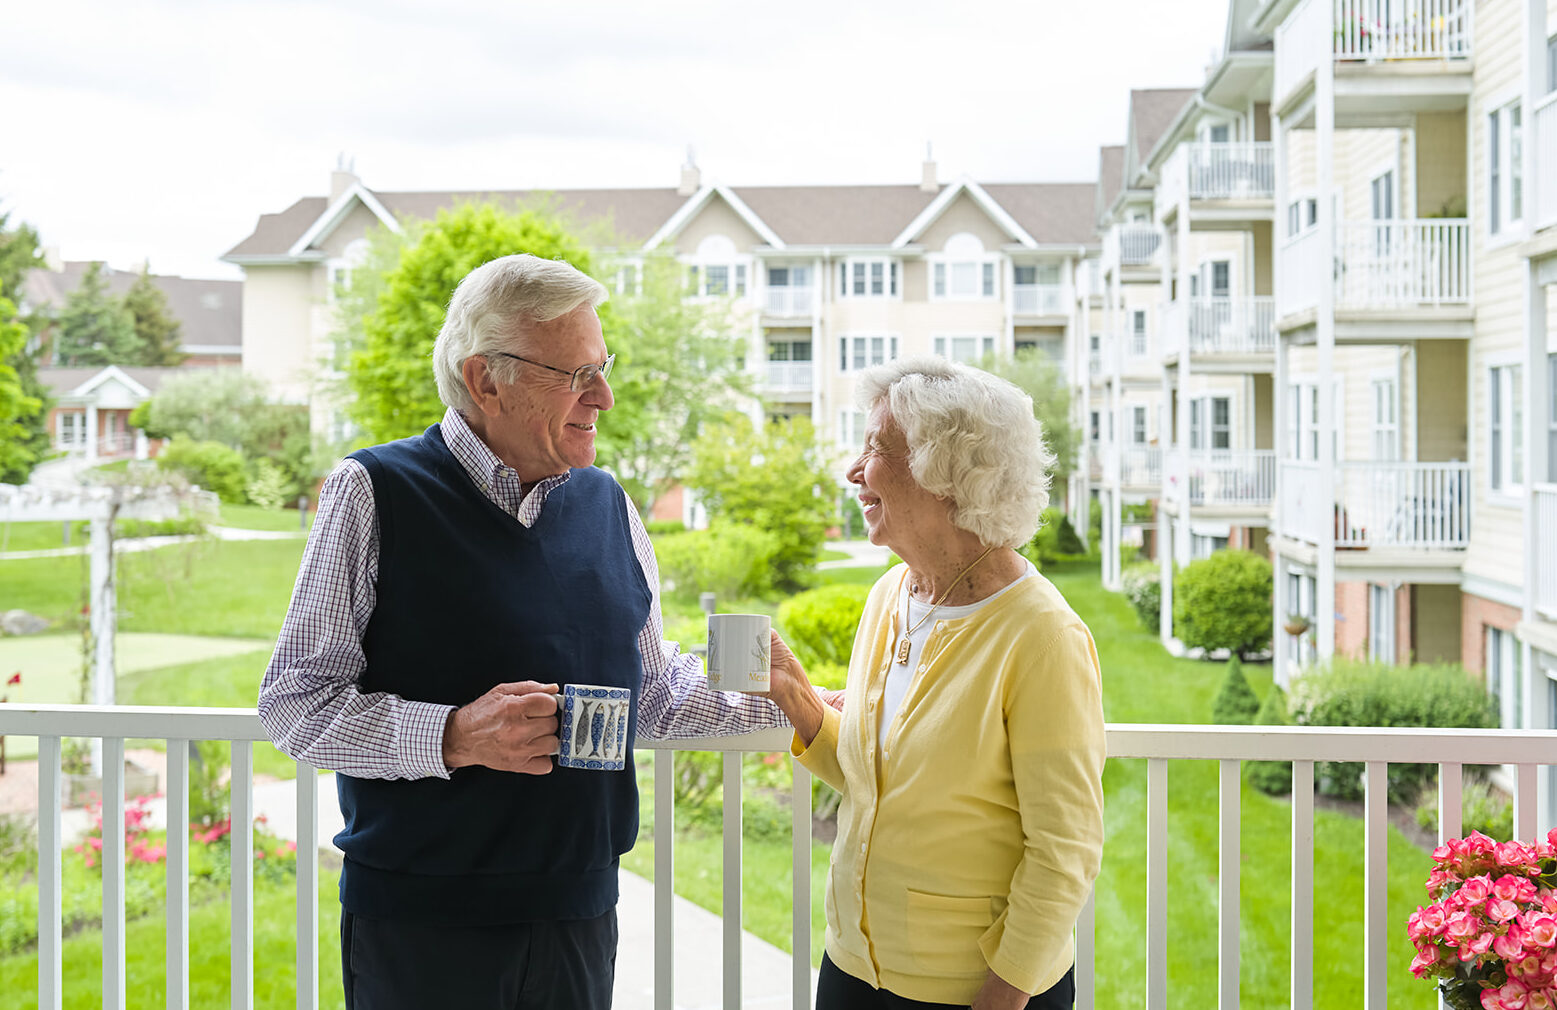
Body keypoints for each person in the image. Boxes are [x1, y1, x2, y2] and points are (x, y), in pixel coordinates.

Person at [257, 253, 785, 1010]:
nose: (603, 396)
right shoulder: (374, 491)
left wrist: (807, 701)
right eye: (575, 375)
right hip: (423, 924)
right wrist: (454, 735)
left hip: (580, 914)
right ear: (484, 379)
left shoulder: (610, 506)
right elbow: (296, 704)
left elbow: (657, 694)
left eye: (602, 370)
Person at [765, 357, 1106, 1010]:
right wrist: (799, 702)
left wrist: (1002, 997)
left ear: (949, 475)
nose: (853, 471)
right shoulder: (891, 595)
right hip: (851, 971)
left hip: (974, 992)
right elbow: (883, 782)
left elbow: (1064, 850)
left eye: (875, 448)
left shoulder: (1040, 635)